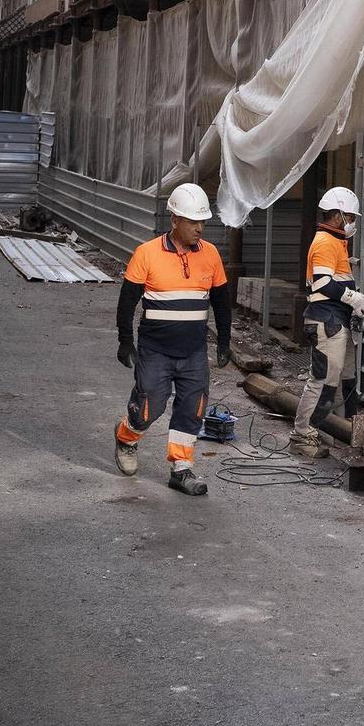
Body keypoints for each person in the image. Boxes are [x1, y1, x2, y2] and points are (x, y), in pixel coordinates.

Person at [113, 182, 232, 497]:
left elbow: (221, 301)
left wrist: (224, 342)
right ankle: (127, 437)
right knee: (148, 408)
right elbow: (127, 303)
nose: (199, 228)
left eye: (202, 221)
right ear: (175, 220)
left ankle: (181, 468)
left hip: (193, 352)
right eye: (193, 221)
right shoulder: (147, 254)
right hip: (156, 351)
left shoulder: (210, 255)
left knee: (192, 408)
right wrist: (126, 342)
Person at [290, 186, 364, 458]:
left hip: (337, 319)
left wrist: (353, 305)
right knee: (323, 380)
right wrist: (352, 298)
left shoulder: (336, 242)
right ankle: (302, 435)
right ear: (338, 216)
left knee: (346, 378)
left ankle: (340, 431)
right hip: (327, 320)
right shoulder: (325, 241)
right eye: (351, 217)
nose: (353, 223)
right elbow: (323, 283)